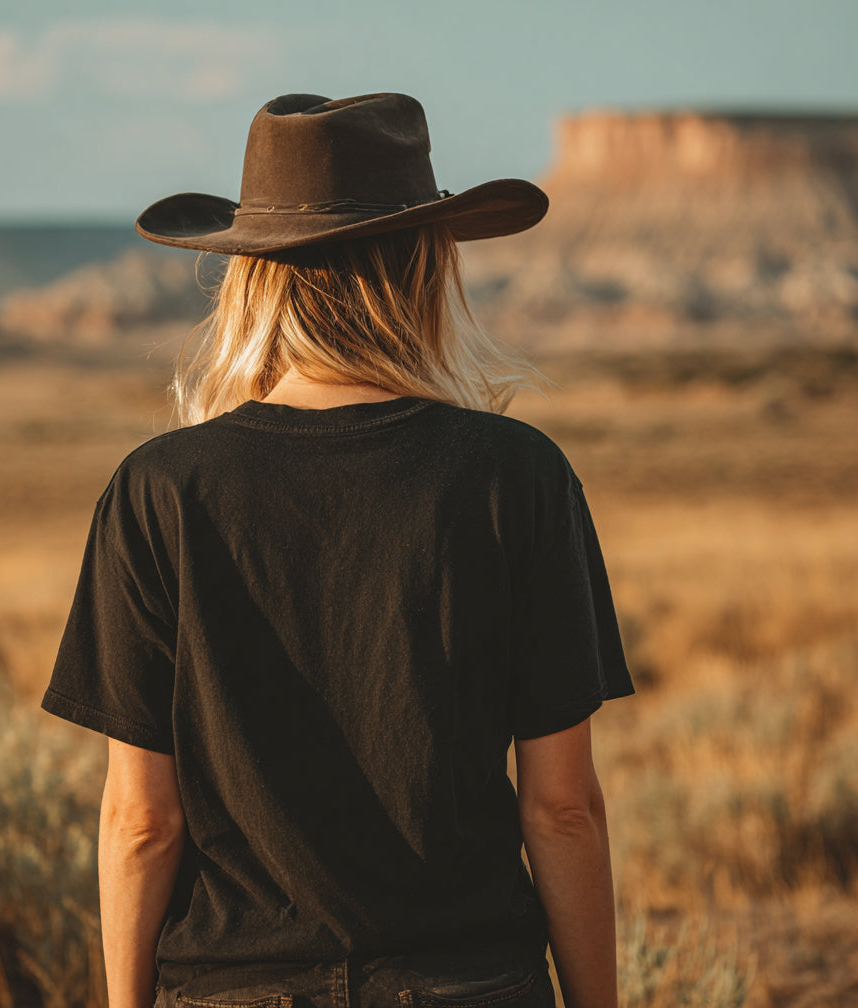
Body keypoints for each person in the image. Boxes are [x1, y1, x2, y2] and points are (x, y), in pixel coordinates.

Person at [42, 92, 634, 1008]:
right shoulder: (516, 476)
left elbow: (139, 821)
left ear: (251, 277)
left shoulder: (160, 489)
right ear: (425, 267)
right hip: (468, 982)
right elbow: (562, 807)